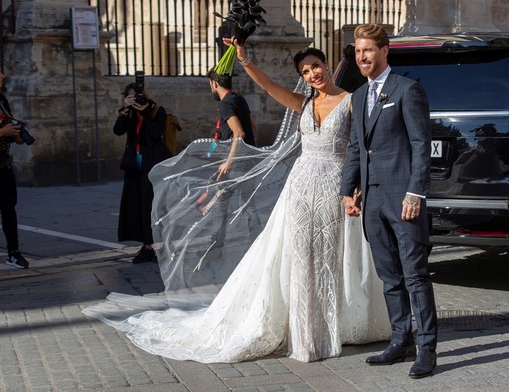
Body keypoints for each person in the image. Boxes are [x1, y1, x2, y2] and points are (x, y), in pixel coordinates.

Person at [83, 39, 390, 363]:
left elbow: (364, 145)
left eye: (316, 66)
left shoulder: (352, 101)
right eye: (305, 70)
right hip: (300, 186)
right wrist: (245, 61)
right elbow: (269, 87)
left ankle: (333, 327)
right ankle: (306, 336)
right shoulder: (303, 103)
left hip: (333, 185)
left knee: (331, 255)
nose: (312, 73)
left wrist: (356, 186)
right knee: (300, 257)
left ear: (326, 65)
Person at [340, 23, 438, 379]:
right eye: (357, 52)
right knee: (389, 276)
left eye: (367, 50)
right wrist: (346, 191)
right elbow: (355, 148)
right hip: (372, 201)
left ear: (384, 51)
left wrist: (416, 192)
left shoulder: (407, 89)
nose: (361, 57)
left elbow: (420, 146)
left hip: (403, 199)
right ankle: (401, 340)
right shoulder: (358, 96)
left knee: (415, 275)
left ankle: (427, 349)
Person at [114, 82, 171, 263]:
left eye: (138, 96)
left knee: (150, 206)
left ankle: (153, 246)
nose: (136, 100)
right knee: (136, 205)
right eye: (131, 97)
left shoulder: (156, 110)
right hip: (133, 165)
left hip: (151, 165)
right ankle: (146, 245)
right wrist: (125, 109)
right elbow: (118, 130)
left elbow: (156, 135)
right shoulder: (128, 112)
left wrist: (145, 111)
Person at [205, 69, 257, 249]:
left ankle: (216, 244)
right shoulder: (238, 98)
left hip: (237, 162)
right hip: (249, 159)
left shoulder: (225, 103)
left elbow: (239, 133)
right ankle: (258, 242)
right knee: (249, 204)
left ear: (214, 84)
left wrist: (229, 160)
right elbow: (250, 127)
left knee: (220, 202)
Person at [0, 71, 30, 269]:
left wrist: (16, 136)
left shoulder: (1, 100)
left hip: (3, 164)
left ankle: (13, 252)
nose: (2, 76)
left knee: (9, 209)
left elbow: (7, 128)